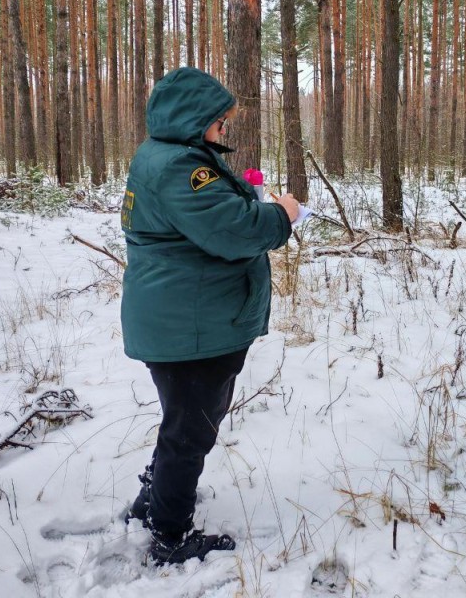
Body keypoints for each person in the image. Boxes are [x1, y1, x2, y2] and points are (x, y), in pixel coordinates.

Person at [119, 67, 299, 566]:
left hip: (184, 319)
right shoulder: (181, 167)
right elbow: (236, 232)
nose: (224, 129)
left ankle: (152, 504)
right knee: (191, 429)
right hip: (192, 328)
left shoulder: (164, 157)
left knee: (182, 420)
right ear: (195, 119)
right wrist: (282, 213)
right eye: (220, 121)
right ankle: (170, 535)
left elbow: (206, 218)